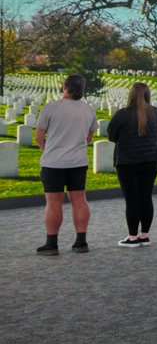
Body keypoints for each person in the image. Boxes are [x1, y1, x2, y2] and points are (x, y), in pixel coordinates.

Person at [33, 73, 96, 254]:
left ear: (64, 87)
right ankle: (81, 243)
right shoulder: (88, 110)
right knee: (79, 200)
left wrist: (49, 151)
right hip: (78, 162)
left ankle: (51, 244)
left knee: (54, 202)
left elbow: (39, 137)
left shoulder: (50, 108)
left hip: (54, 163)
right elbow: (89, 137)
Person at [107, 81, 157, 247]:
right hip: (151, 160)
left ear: (131, 95)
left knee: (132, 200)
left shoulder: (122, 114)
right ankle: (145, 235)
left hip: (128, 162)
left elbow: (111, 135)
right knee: (146, 197)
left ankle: (133, 237)